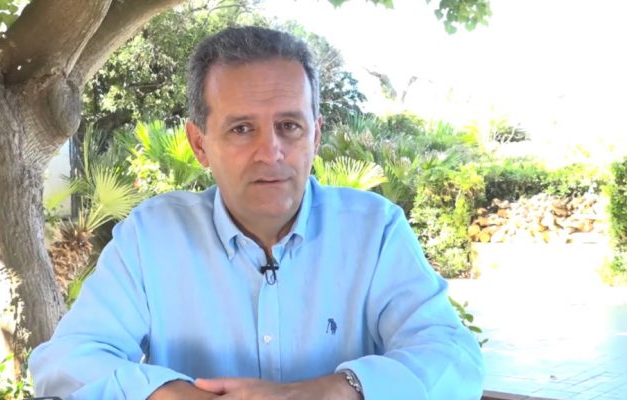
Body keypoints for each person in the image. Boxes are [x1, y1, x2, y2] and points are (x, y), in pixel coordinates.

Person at [29, 26, 485, 400]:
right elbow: (66, 360)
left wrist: (334, 391)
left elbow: (453, 357)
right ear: (199, 144)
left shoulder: (374, 230)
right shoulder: (152, 236)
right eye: (242, 128)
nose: (271, 152)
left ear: (315, 135)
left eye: (289, 126)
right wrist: (167, 394)